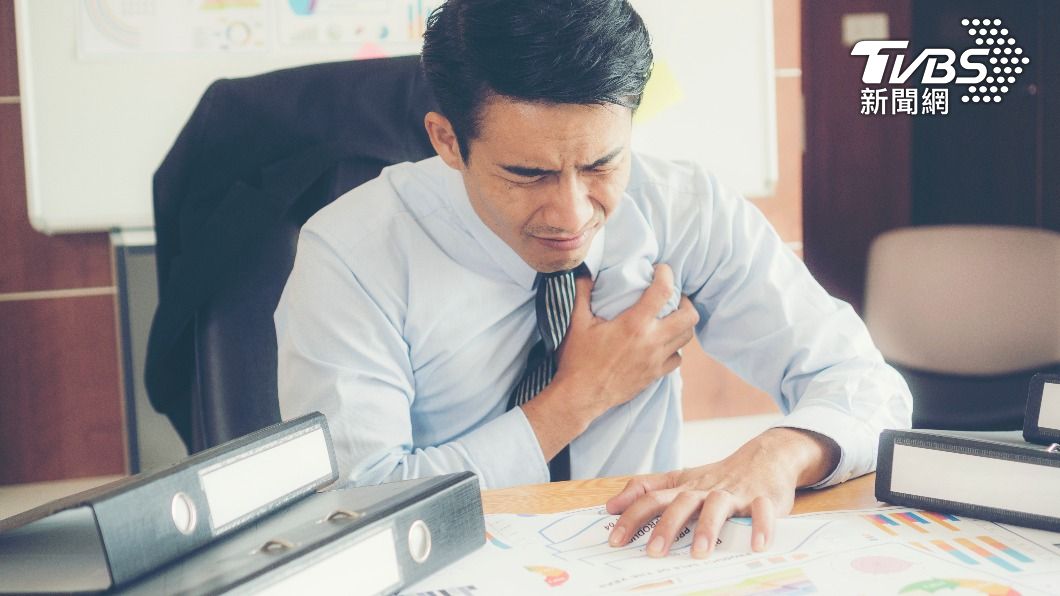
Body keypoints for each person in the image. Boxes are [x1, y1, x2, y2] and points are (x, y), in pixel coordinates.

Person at [275, 0, 912, 559]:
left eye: (602, 164)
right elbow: (354, 504)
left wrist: (780, 451)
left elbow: (866, 385)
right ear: (446, 141)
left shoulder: (681, 206)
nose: (573, 215)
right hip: (449, 565)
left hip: (640, 557)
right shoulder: (352, 254)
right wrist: (580, 398)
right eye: (528, 175)